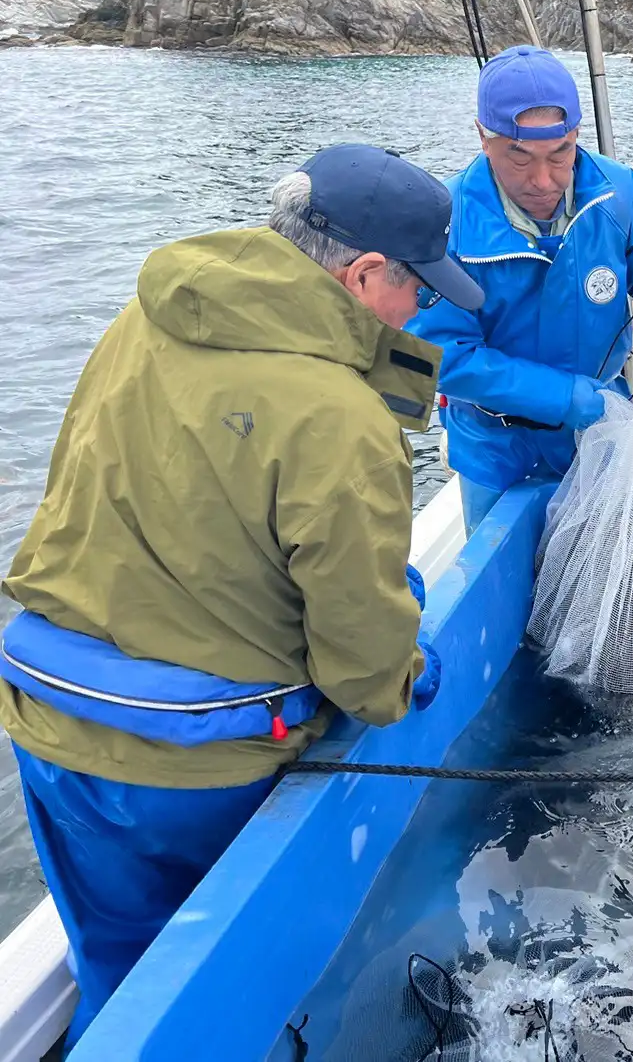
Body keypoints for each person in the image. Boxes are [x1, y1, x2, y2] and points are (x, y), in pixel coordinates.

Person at [0, 143, 481, 1047]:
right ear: (364, 274)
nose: (421, 312)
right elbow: (362, 674)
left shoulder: (144, 318)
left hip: (50, 720)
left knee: (119, 978)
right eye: (419, 289)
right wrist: (406, 670)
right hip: (194, 769)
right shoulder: (342, 417)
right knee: (234, 1004)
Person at [409, 45, 633, 534]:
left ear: (576, 135)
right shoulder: (446, 221)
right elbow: (444, 355)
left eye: (560, 153)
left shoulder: (618, 190)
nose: (543, 180)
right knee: (506, 573)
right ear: (483, 137)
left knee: (611, 556)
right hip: (494, 448)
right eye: (519, 157)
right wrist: (563, 397)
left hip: (599, 432)